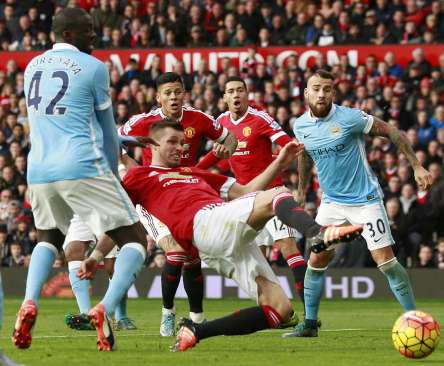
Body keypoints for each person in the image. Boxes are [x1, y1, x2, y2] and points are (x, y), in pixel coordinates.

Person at [113, 119, 362, 352]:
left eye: (182, 143)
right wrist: (99, 254)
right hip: (203, 224)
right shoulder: (139, 176)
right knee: (277, 193)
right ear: (153, 144)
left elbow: (245, 191)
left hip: (219, 237)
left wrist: (279, 163)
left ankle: (197, 330)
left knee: (281, 310)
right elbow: (117, 211)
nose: (180, 148)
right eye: (172, 142)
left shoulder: (194, 173)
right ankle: (317, 234)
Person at [15, 8, 149, 352]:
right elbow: (105, 133)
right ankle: (103, 308)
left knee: (48, 237)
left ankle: (28, 302)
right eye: (89, 30)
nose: (95, 35)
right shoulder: (93, 68)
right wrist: (111, 174)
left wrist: (131, 140)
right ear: (71, 33)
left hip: (39, 169)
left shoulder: (32, 66)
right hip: (82, 165)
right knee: (135, 238)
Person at [285, 69, 432, 338]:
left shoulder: (350, 118)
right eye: (316, 88)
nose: (321, 93)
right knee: (316, 258)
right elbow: (305, 155)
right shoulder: (300, 125)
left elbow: (391, 131)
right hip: (331, 203)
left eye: (327, 88)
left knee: (385, 262)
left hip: (365, 201)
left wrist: (417, 166)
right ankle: (309, 324)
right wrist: (302, 189)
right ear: (306, 93)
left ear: (333, 92)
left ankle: (414, 318)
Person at [117, 71, 238, 336]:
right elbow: (114, 138)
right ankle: (168, 313)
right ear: (158, 97)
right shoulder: (144, 121)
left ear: (184, 94)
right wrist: (130, 165)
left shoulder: (199, 119)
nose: (173, 97)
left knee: (193, 261)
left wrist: (223, 151)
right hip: (153, 195)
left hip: (188, 194)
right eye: (167, 93)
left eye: (177, 92)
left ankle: (197, 318)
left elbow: (231, 139)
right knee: (176, 254)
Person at [208, 76, 308, 318]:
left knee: (288, 246)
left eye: (240, 90)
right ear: (224, 98)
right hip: (244, 202)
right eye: (230, 91)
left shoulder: (260, 119)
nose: (236, 95)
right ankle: (270, 308)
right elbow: (214, 158)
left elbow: (293, 147)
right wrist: (203, 166)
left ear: (247, 93)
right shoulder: (220, 123)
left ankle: (310, 313)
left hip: (272, 194)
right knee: (256, 259)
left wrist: (301, 188)